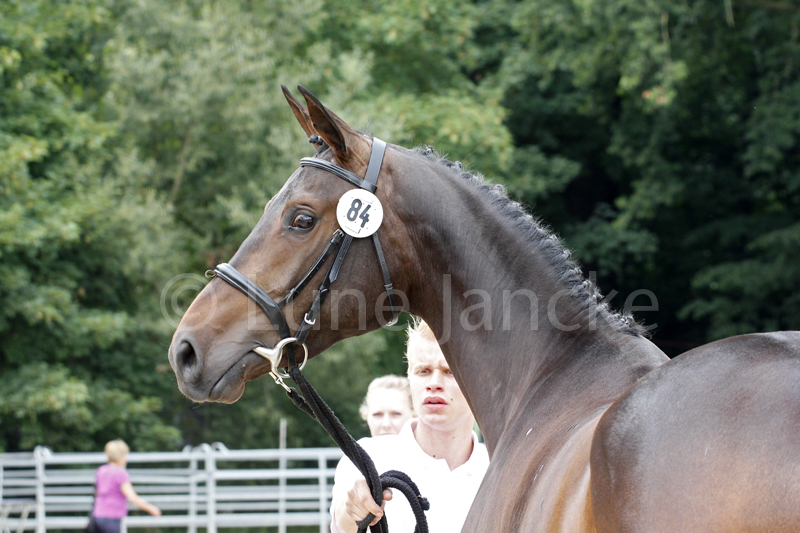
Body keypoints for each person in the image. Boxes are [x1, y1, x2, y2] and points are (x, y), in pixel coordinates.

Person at [330, 318, 489, 533]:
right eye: (423, 371)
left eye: (449, 371)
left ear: (479, 380)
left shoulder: (501, 467)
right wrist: (353, 510)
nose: (433, 383)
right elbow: (342, 523)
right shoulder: (365, 457)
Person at [91, 439, 161, 533]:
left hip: (97, 517)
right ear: (119, 456)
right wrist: (150, 508)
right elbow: (132, 497)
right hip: (111, 519)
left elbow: (98, 493)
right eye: (125, 455)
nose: (126, 458)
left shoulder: (101, 470)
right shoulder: (121, 473)